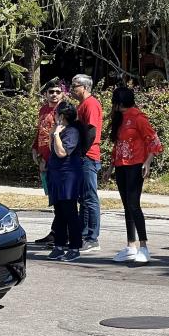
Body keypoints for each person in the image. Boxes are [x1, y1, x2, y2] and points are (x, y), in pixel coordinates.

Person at [103, 87, 162, 264]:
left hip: (136, 164)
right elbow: (118, 145)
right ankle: (131, 246)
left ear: (119, 102)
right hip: (121, 165)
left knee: (134, 205)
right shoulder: (120, 119)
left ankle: (143, 246)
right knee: (127, 206)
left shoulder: (138, 117)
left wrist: (148, 162)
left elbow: (153, 139)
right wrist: (111, 166)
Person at [46, 100, 85, 262]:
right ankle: (59, 246)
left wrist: (56, 135)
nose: (54, 116)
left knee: (70, 212)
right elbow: (52, 149)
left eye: (56, 113)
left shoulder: (72, 131)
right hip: (56, 175)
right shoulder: (59, 130)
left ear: (62, 116)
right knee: (59, 213)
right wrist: (53, 134)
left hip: (68, 176)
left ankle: (75, 247)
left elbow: (62, 153)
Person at [70, 74, 103, 252]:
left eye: (75, 85)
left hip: (88, 156)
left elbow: (91, 130)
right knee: (83, 198)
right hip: (81, 156)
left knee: (90, 198)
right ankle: (83, 235)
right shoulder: (81, 105)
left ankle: (92, 237)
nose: (72, 89)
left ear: (84, 87)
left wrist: (82, 152)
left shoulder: (91, 104)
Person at [32, 79, 64, 246]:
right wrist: (35, 150)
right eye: (51, 92)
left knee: (60, 199)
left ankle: (60, 233)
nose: (54, 95)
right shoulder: (43, 110)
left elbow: (62, 138)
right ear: (45, 94)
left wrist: (48, 160)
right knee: (52, 198)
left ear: (62, 93)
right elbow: (40, 132)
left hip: (56, 161)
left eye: (58, 92)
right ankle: (55, 231)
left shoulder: (64, 110)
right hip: (43, 160)